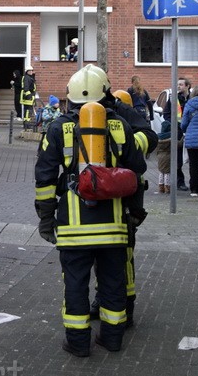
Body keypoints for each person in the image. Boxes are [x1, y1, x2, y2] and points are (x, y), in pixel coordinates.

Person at [34, 64, 156, 356]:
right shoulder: (120, 126)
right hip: (113, 226)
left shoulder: (57, 128)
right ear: (106, 93)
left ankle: (78, 344)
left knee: (75, 285)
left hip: (73, 230)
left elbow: (45, 180)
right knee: (113, 284)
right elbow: (137, 170)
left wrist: (46, 220)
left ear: (69, 96)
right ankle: (112, 339)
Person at [160, 77, 190, 191]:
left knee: (192, 157)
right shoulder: (173, 98)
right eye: (178, 84)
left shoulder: (192, 98)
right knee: (177, 158)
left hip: (190, 130)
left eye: (181, 84)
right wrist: (173, 123)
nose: (178, 86)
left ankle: (196, 183)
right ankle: (180, 182)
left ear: (187, 86)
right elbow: (166, 114)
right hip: (177, 131)